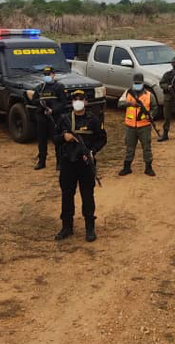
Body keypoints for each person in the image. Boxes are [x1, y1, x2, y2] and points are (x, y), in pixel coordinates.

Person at [52, 90, 107, 242]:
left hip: (85, 163)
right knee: (67, 195)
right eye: (75, 99)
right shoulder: (64, 119)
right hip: (68, 163)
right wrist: (64, 137)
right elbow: (55, 138)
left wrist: (92, 151)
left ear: (86, 102)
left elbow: (102, 139)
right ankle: (66, 227)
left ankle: (90, 228)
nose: (78, 101)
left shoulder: (93, 120)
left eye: (81, 99)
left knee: (87, 195)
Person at [118, 73, 159, 176]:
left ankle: (148, 168)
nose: (137, 85)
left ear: (143, 83)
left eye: (139, 83)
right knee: (129, 147)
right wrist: (130, 103)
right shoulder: (128, 93)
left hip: (144, 126)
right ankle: (127, 168)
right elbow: (119, 104)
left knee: (146, 147)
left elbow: (155, 108)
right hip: (130, 126)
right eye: (135, 83)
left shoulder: (149, 95)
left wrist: (151, 115)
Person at [33, 66, 67, 170]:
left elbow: (63, 102)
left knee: (57, 139)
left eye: (49, 74)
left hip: (55, 117)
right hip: (42, 117)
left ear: (53, 74)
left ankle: (59, 162)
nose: (47, 76)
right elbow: (34, 100)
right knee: (42, 140)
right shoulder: (39, 88)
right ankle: (41, 161)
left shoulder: (59, 87)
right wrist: (40, 104)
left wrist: (53, 110)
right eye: (45, 75)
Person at [158, 57, 175, 143]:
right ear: (171, 64)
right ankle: (165, 134)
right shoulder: (167, 74)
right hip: (168, 99)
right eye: (174, 63)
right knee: (166, 117)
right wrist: (167, 87)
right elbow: (161, 83)